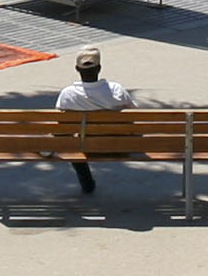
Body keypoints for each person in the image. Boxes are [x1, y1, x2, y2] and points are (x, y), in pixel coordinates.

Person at [48, 50, 147, 196]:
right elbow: (135, 115)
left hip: (87, 147)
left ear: (77, 69)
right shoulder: (116, 89)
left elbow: (62, 127)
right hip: (121, 147)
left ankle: (87, 183)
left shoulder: (68, 94)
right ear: (99, 68)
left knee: (68, 140)